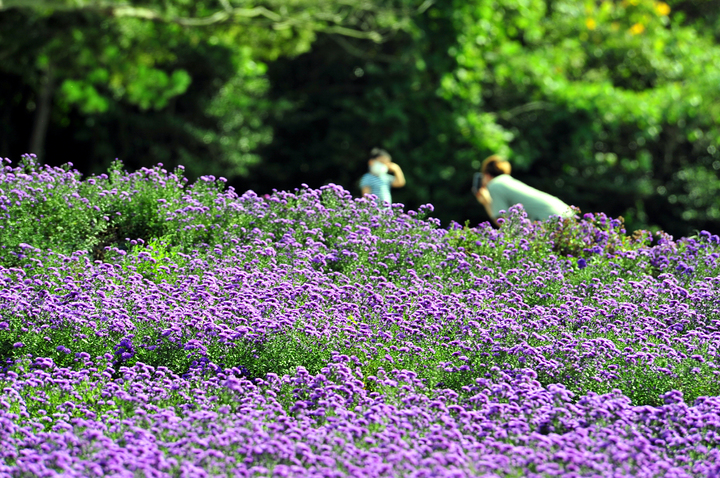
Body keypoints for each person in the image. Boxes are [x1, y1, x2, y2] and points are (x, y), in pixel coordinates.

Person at [474, 155, 570, 224]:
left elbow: (504, 224)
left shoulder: (494, 185)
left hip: (551, 219)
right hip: (564, 212)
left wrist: (486, 203)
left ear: (486, 175)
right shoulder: (507, 181)